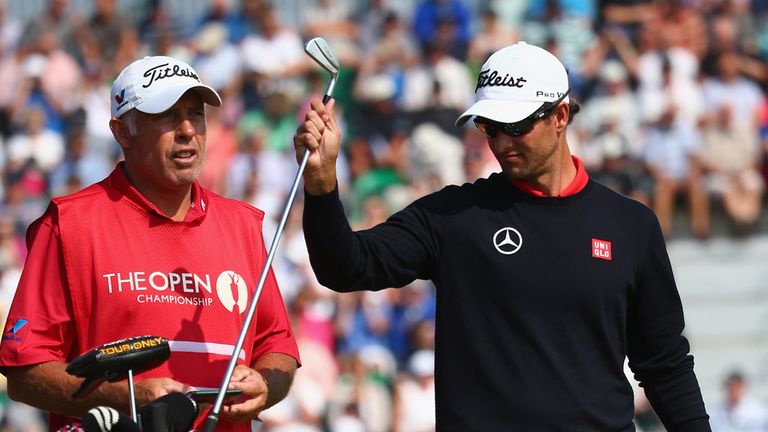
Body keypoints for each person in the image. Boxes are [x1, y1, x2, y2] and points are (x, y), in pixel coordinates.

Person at [293, 41, 711, 430]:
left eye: (517, 125)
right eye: (490, 127)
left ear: (561, 115)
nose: (502, 141)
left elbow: (664, 363)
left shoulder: (631, 225)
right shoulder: (454, 215)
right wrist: (321, 186)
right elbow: (345, 268)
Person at [0, 56, 300, 431]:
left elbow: (277, 347)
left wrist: (265, 385)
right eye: (166, 115)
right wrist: (121, 397)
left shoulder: (242, 224)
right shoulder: (69, 223)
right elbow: (25, 373)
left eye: (196, 114)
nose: (188, 129)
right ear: (122, 132)